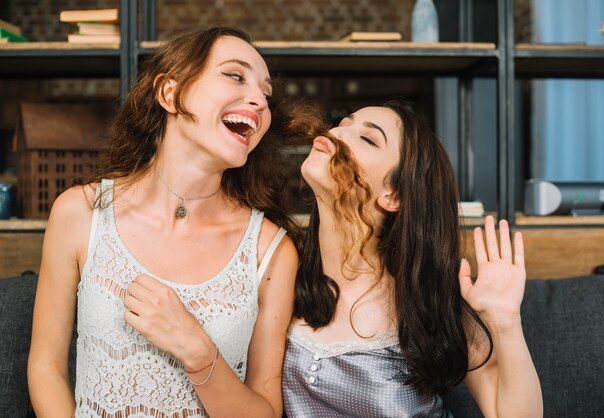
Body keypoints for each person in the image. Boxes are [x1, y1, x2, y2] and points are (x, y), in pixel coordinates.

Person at [28, 27, 299, 418]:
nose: (258, 100)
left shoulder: (270, 251)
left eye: (266, 94)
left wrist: (197, 349)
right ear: (169, 93)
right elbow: (45, 367)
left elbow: (265, 411)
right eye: (235, 76)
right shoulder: (78, 212)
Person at [282, 99, 543, 417]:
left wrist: (506, 322)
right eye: (343, 123)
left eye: (368, 138)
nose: (336, 133)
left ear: (393, 195)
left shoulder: (428, 303)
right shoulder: (280, 275)